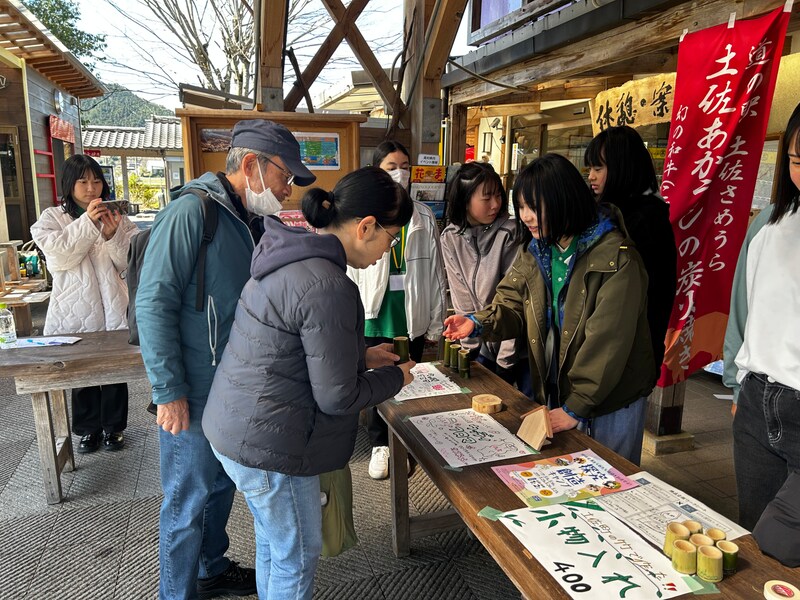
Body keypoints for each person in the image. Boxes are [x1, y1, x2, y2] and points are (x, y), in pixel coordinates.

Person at [203, 167, 415, 599]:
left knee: (274, 542)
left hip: (239, 427)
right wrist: (396, 376)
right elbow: (339, 396)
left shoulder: (292, 256)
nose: (387, 251)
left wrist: (360, 355)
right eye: (390, 239)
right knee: (296, 556)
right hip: (274, 446)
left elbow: (292, 347)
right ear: (366, 226)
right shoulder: (329, 284)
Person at [136, 119, 316, 600]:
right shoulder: (192, 213)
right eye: (284, 177)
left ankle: (210, 569)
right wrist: (167, 391)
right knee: (185, 503)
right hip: (192, 390)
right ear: (252, 165)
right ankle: (176, 593)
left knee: (220, 490)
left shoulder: (253, 219)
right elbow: (153, 301)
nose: (287, 189)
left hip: (235, 389)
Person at [443, 154, 656, 464]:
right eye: (522, 208)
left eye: (534, 208)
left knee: (609, 478)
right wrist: (477, 322)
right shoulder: (539, 249)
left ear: (563, 201)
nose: (526, 217)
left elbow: (607, 342)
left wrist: (577, 405)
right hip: (562, 388)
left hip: (612, 397)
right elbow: (512, 303)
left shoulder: (616, 259)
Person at [349, 140, 446, 480]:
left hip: (411, 309)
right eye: (391, 166)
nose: (399, 172)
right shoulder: (362, 212)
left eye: (404, 165)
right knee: (376, 378)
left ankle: (402, 442)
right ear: (377, 169)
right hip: (374, 309)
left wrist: (436, 322)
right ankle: (380, 444)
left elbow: (435, 271)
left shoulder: (422, 215)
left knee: (408, 378)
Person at [30, 154, 138, 453]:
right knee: (82, 372)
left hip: (115, 305)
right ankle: (87, 429)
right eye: (83, 181)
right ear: (69, 184)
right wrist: (88, 223)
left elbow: (129, 261)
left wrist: (114, 234)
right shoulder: (51, 218)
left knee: (115, 372)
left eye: (96, 180)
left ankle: (114, 428)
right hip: (74, 309)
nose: (91, 187)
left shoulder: (117, 216)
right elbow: (60, 257)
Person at [729, 102, 800, 531]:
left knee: (784, 542)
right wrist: (738, 389)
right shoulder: (770, 225)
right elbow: (744, 311)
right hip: (759, 402)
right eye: (797, 160)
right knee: (756, 533)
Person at [584, 125, 677, 372]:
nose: (591, 176)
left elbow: (645, 297)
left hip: (626, 355)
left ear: (621, 168)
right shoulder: (609, 212)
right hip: (607, 348)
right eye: (590, 169)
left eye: (598, 168)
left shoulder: (644, 220)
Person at [440, 162, 530, 396]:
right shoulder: (451, 236)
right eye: (486, 198)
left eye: (498, 195)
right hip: (479, 344)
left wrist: (505, 363)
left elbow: (515, 301)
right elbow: (461, 302)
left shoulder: (511, 233)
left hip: (516, 347)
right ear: (465, 200)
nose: (496, 204)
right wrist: (469, 351)